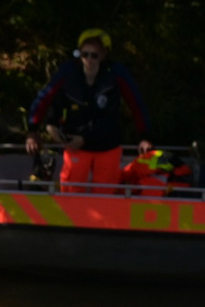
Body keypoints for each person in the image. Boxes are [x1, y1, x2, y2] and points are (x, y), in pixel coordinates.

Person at [26, 30, 149, 191]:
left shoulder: (116, 75)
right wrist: (39, 128)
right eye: (84, 54)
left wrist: (145, 135)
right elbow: (48, 98)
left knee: (104, 196)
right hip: (76, 147)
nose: (89, 60)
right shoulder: (69, 73)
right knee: (71, 193)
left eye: (94, 55)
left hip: (107, 146)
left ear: (104, 55)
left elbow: (134, 105)